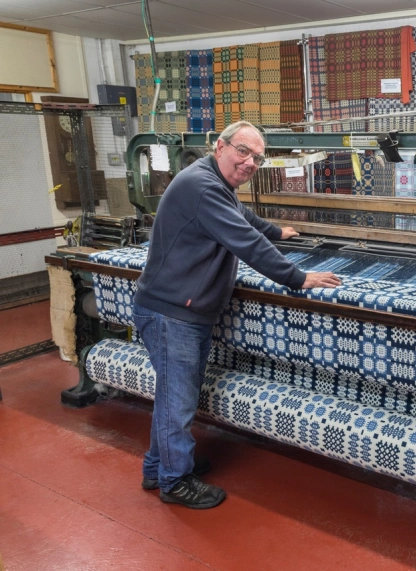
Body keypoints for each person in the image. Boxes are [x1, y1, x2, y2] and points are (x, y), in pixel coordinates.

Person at [132, 121, 341, 509]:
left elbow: (242, 218)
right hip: (172, 313)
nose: (249, 162)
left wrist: (277, 232)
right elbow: (245, 242)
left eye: (257, 158)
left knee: (172, 397)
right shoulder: (202, 186)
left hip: (178, 309)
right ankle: (175, 481)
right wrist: (298, 278)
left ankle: (159, 466)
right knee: (177, 402)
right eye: (243, 151)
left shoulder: (214, 184)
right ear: (220, 147)